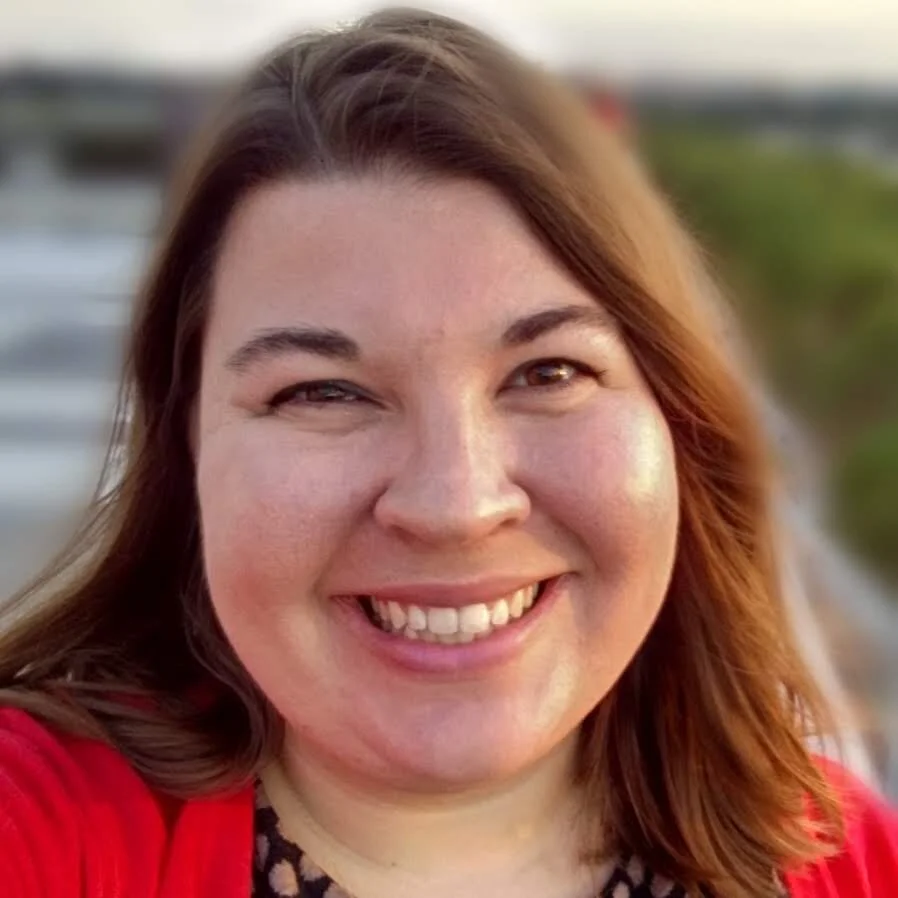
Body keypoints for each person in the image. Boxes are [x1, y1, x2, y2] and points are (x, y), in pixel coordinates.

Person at [0, 8, 895, 898]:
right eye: (321, 391)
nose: (455, 503)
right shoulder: (40, 824)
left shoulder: (851, 862)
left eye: (547, 372)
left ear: (676, 421)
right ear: (188, 448)